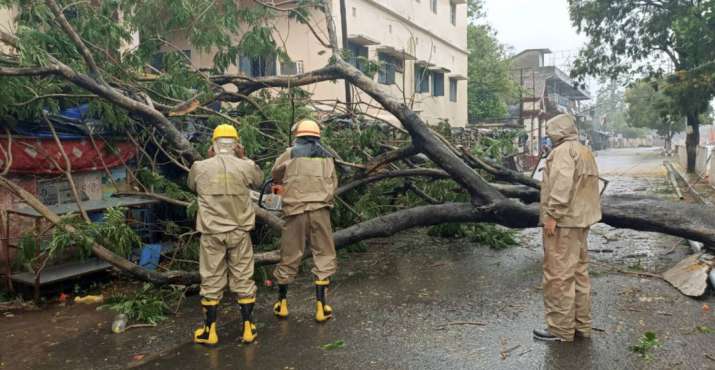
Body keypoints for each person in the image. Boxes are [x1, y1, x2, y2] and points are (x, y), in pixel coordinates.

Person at [188, 124, 263, 345]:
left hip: (212, 233)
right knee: (243, 277)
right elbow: (258, 181)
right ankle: (249, 328)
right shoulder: (246, 166)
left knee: (211, 279)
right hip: (239, 231)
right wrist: (245, 158)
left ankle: (209, 332)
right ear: (237, 145)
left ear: (213, 145)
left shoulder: (199, 167)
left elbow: (193, 186)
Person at [534, 114, 602, 342]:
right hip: (582, 221)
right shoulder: (584, 151)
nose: (548, 135)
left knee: (558, 276)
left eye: (550, 130)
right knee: (579, 273)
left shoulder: (562, 152)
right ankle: (581, 325)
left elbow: (562, 185)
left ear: (557, 131)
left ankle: (560, 330)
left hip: (563, 222)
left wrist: (551, 215)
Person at [270, 119, 338, 323]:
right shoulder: (328, 156)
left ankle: (282, 304)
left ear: (297, 135)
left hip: (295, 212)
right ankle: (321, 305)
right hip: (320, 211)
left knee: (290, 255)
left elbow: (275, 174)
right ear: (317, 136)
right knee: (324, 255)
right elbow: (333, 182)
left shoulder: (290, 153)